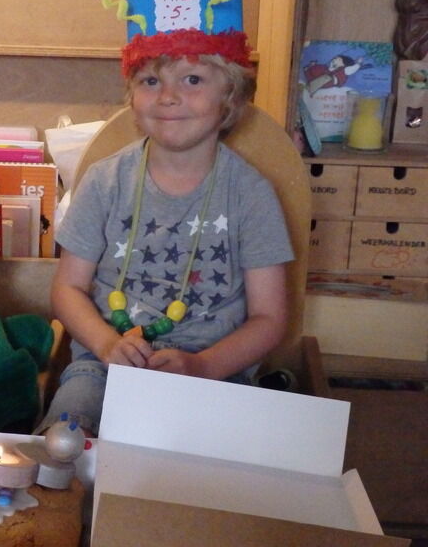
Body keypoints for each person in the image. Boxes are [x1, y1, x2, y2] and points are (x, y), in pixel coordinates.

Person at [37, 28, 294, 436]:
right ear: (132, 98)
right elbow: (68, 288)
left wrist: (204, 365)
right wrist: (106, 344)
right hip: (104, 368)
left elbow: (269, 317)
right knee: (63, 442)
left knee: (218, 461)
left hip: (216, 374)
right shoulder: (105, 182)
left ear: (230, 97)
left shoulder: (250, 194)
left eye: (192, 79)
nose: (168, 96)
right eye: (151, 81)